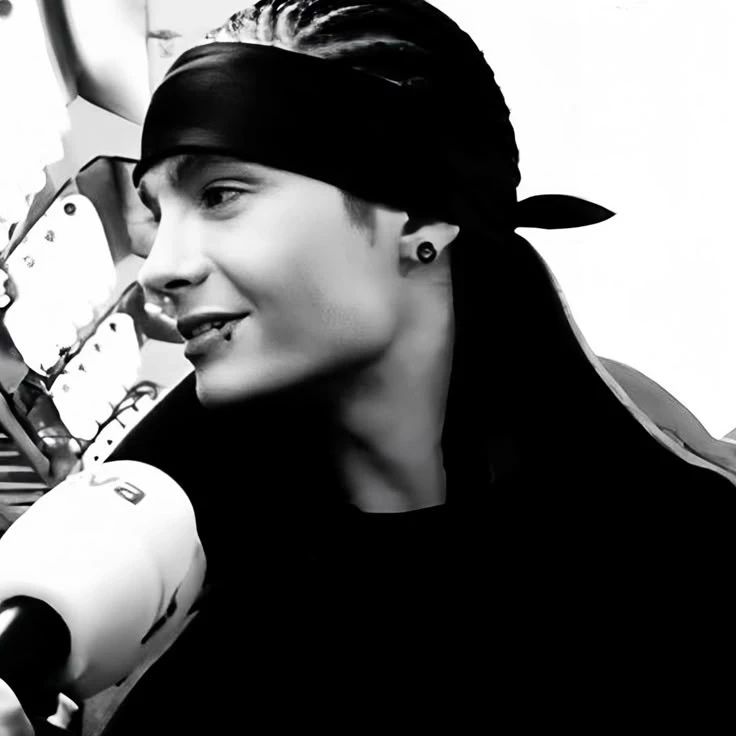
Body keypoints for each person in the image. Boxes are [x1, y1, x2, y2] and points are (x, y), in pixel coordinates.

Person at [2, 1, 734, 732]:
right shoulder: (186, 604)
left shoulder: (669, 567)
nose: (159, 268)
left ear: (418, 216)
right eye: (159, 214)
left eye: (220, 195)